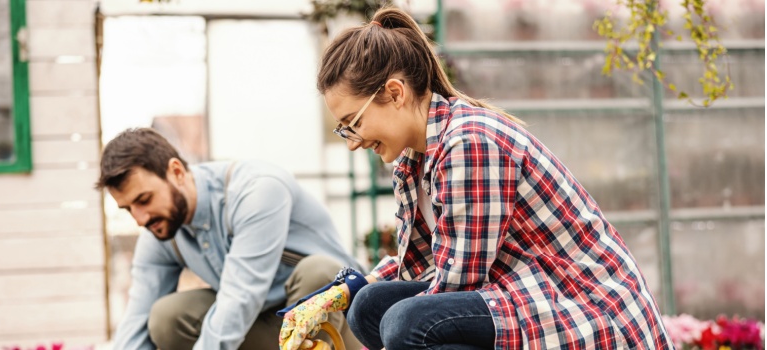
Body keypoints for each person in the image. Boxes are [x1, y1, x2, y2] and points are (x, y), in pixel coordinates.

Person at [279, 7, 674, 350]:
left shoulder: (468, 141)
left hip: (582, 308)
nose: (353, 141)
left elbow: (457, 283)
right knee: (369, 307)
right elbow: (422, 268)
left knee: (404, 324)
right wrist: (353, 287)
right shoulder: (413, 163)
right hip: (520, 296)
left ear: (395, 93)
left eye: (354, 123)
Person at [97, 128, 363, 350]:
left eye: (144, 200)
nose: (140, 218)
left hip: (338, 324)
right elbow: (137, 320)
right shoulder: (161, 231)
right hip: (266, 328)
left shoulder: (257, 190)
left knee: (317, 272)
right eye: (128, 208)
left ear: (176, 172)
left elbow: (241, 297)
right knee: (166, 317)